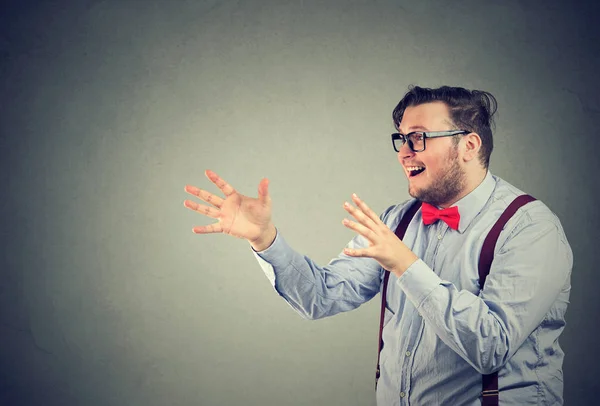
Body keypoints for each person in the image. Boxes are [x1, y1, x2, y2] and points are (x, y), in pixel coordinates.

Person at [183, 86, 572, 405]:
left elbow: (491, 346)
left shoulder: (530, 229)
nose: (404, 152)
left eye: (418, 138)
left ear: (469, 145)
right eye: (401, 139)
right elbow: (321, 295)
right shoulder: (397, 221)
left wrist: (406, 264)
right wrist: (264, 239)